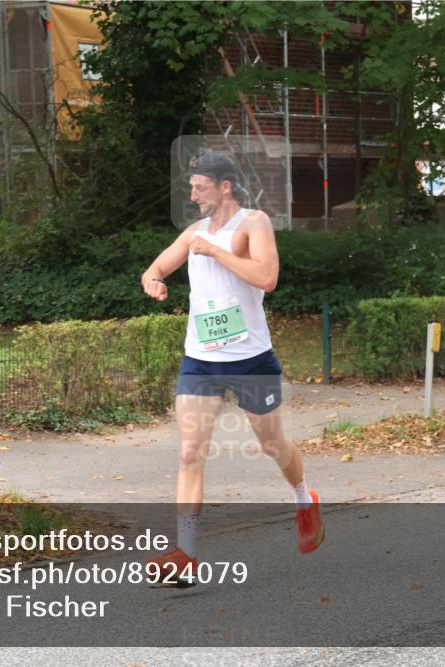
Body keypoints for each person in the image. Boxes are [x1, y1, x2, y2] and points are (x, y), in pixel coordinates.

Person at [140, 151, 324, 584]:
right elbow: (158, 264)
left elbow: (267, 278)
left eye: (200, 187)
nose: (193, 195)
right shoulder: (194, 232)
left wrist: (214, 251)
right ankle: (186, 554)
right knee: (189, 452)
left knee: (272, 444)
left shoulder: (253, 223)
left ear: (225, 187)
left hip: (250, 360)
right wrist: (154, 279)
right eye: (191, 187)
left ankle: (303, 498)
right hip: (200, 361)